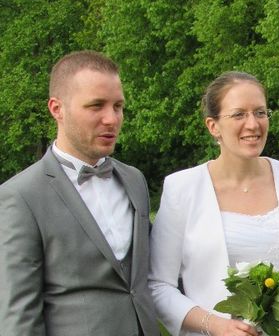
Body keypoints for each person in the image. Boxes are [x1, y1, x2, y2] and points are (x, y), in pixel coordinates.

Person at [149, 71, 279, 336]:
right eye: (239, 114)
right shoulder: (182, 188)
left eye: (260, 113)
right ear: (213, 126)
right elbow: (158, 286)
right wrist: (216, 325)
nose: (253, 124)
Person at [0, 50, 160, 336]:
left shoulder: (134, 180)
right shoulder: (20, 196)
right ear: (56, 109)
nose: (112, 119)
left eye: (118, 106)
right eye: (96, 106)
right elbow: (19, 315)